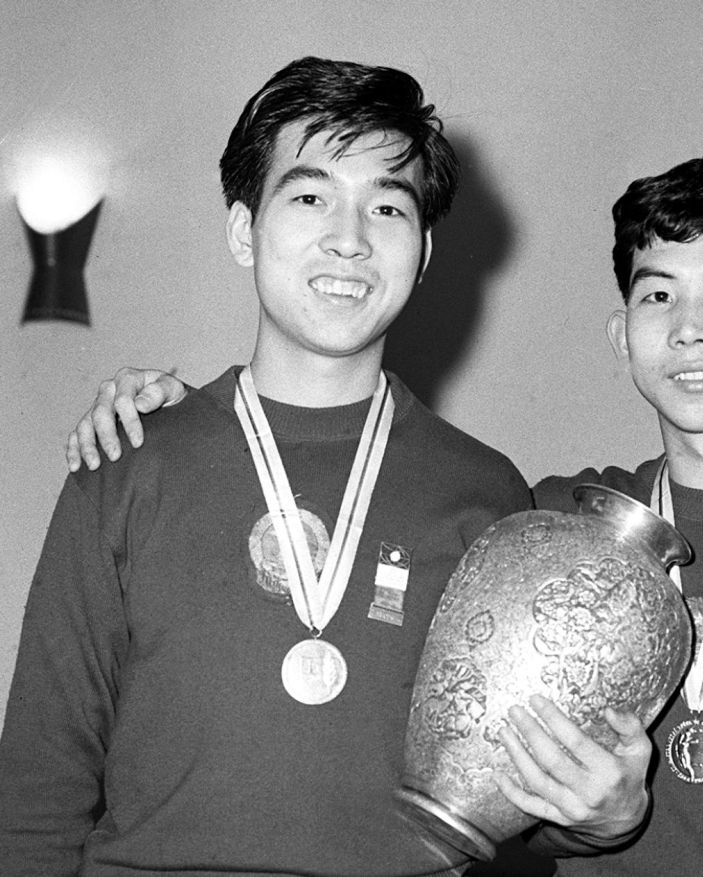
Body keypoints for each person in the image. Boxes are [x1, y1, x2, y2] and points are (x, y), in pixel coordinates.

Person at [64, 153, 703, 875]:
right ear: (621, 335)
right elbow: (487, 798)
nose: (689, 327)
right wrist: (167, 408)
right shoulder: (544, 527)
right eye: (657, 293)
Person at [0, 57, 651, 876]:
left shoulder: (485, 494)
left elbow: (510, 793)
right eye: (310, 197)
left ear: (422, 251)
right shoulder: (128, 465)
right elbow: (37, 793)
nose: (349, 238)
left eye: (387, 206)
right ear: (244, 231)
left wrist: (605, 816)